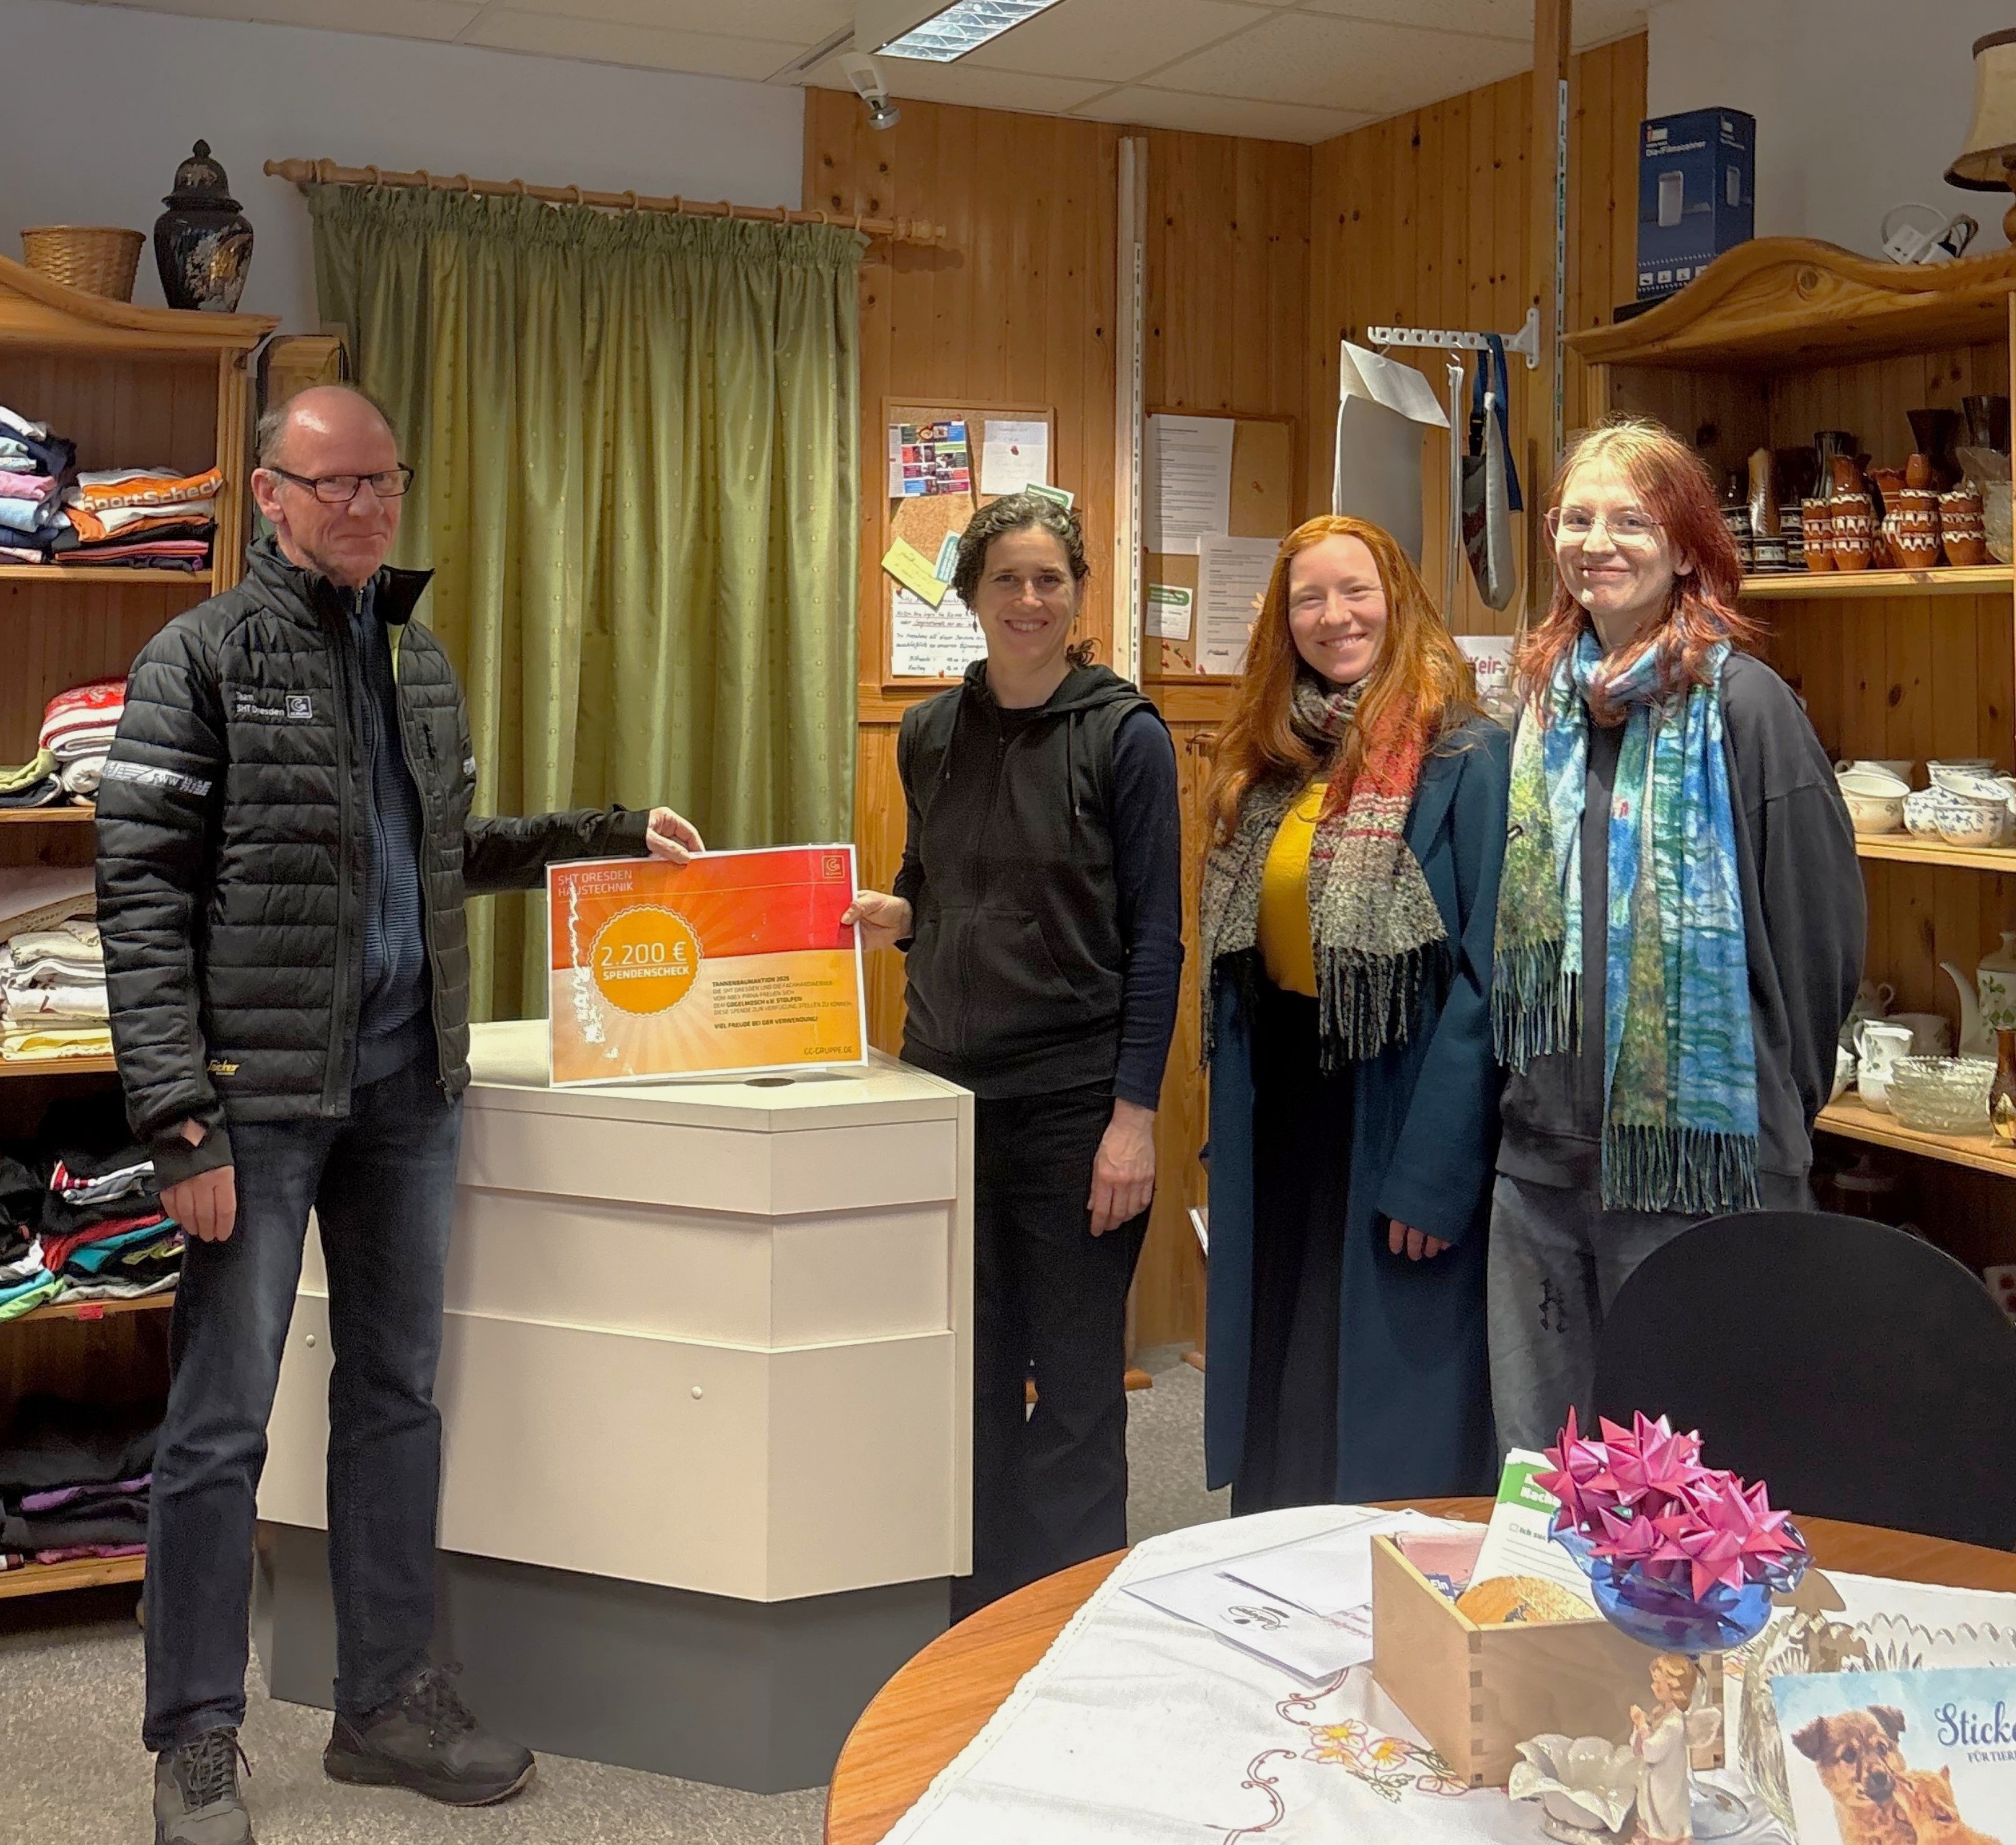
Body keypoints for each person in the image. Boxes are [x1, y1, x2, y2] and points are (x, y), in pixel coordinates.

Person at [95, 385, 706, 1845]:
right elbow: (140, 893)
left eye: (385, 480)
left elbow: (440, 854)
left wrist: (603, 837)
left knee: (394, 1398)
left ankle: (382, 1703)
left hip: (403, 1091)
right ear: (269, 493)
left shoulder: (415, 660)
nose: (368, 505)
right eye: (337, 483)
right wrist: (179, 1122)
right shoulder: (198, 658)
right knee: (220, 1422)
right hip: (256, 1102)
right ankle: (195, 1739)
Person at [1488, 416, 1863, 1455]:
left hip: (1702, 1173)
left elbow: (1821, 941)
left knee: (1695, 1486)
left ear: (1690, 547)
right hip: (1542, 1165)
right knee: (1546, 1472)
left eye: (1631, 520)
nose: (1597, 542)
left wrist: (1767, 1109)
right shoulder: (1544, 711)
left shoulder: (1747, 708)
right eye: (1577, 519)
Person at [844, 492, 1182, 1618]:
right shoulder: (930, 733)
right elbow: (931, 883)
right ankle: (978, 1625)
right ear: (972, 595)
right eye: (1006, 580)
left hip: (1076, 1112)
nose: (1029, 600)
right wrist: (895, 916)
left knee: (1077, 1389)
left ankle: (1071, 1622)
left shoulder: (1127, 736)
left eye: (1050, 580)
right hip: (946, 1100)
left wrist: (1133, 1120)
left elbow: (1156, 941)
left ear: (1077, 593)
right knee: (973, 1379)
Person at [1198, 514, 1508, 1511]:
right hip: (1284, 1104)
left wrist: (1438, 1171)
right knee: (1281, 1364)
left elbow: (1491, 974)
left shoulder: (1467, 755)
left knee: (1380, 1395)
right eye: (1309, 598)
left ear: (1398, 601)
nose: (1334, 616)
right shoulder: (1275, 760)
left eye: (1356, 591)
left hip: (1396, 1105)